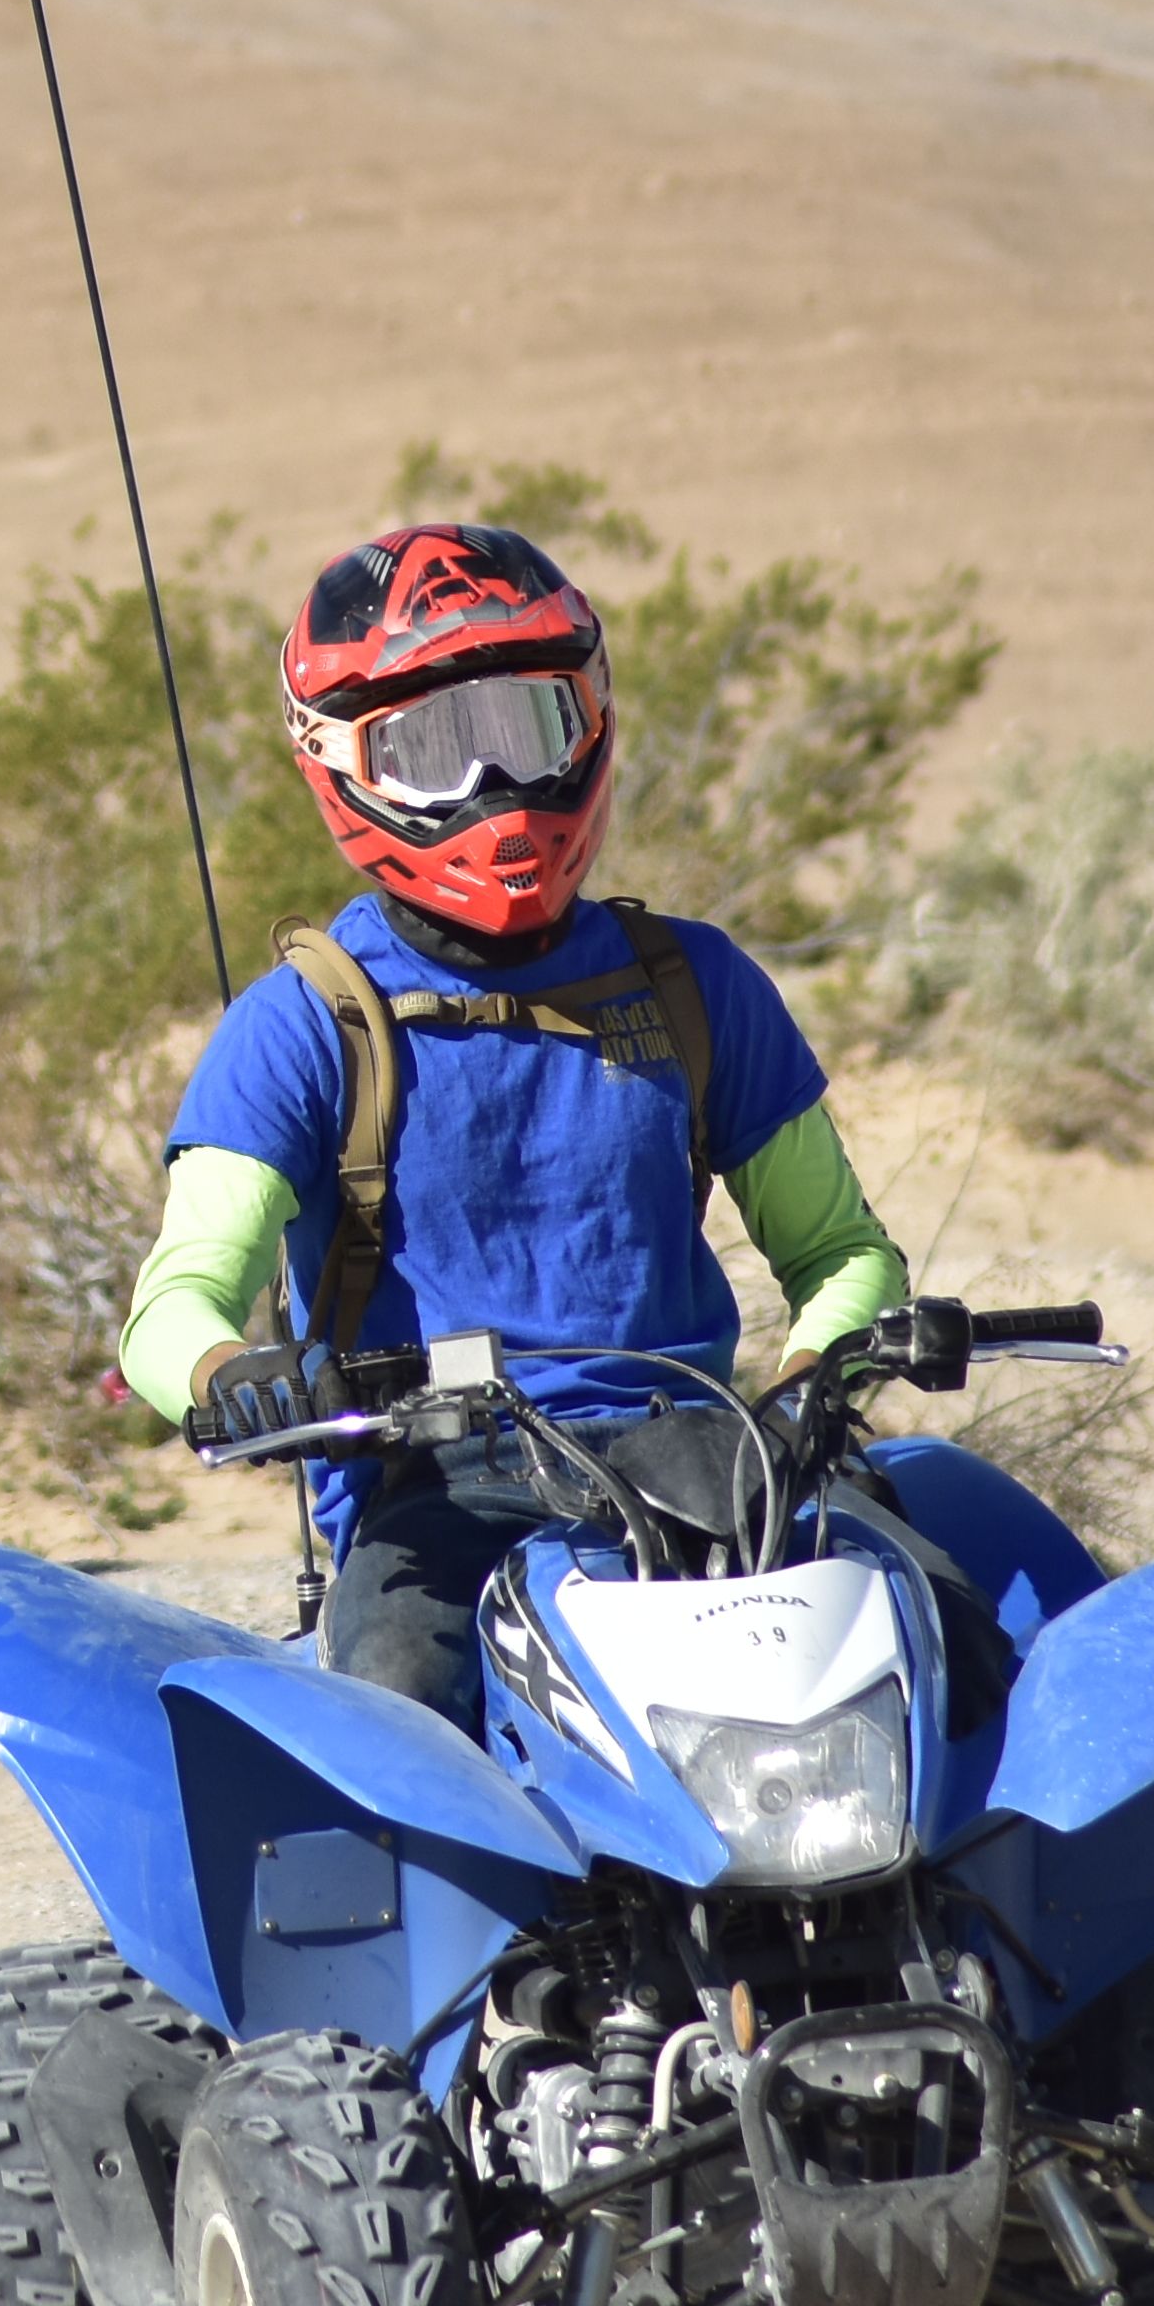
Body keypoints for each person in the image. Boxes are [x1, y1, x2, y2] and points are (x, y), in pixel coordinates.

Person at [120, 521, 913, 1731]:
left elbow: (847, 1256)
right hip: (441, 1497)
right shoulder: (300, 1027)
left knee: (963, 1629)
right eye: (434, 750)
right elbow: (168, 1310)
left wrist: (814, 1380)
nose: (494, 787)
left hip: (713, 1464)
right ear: (345, 765)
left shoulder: (697, 983)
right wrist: (232, 1375)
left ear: (588, 719)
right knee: (398, 1716)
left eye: (524, 728)